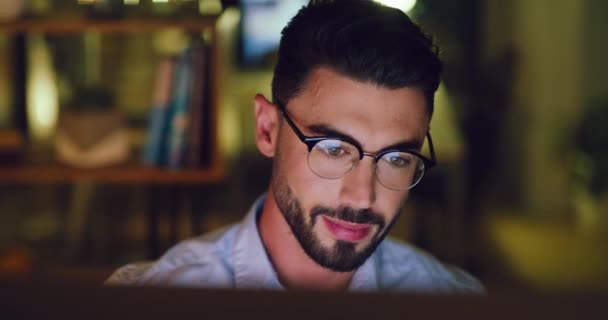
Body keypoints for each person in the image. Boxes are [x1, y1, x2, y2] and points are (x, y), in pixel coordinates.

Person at [107, 0, 484, 293]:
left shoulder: (454, 302)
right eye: (334, 148)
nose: (362, 197)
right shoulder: (148, 300)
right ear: (267, 129)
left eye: (397, 158)